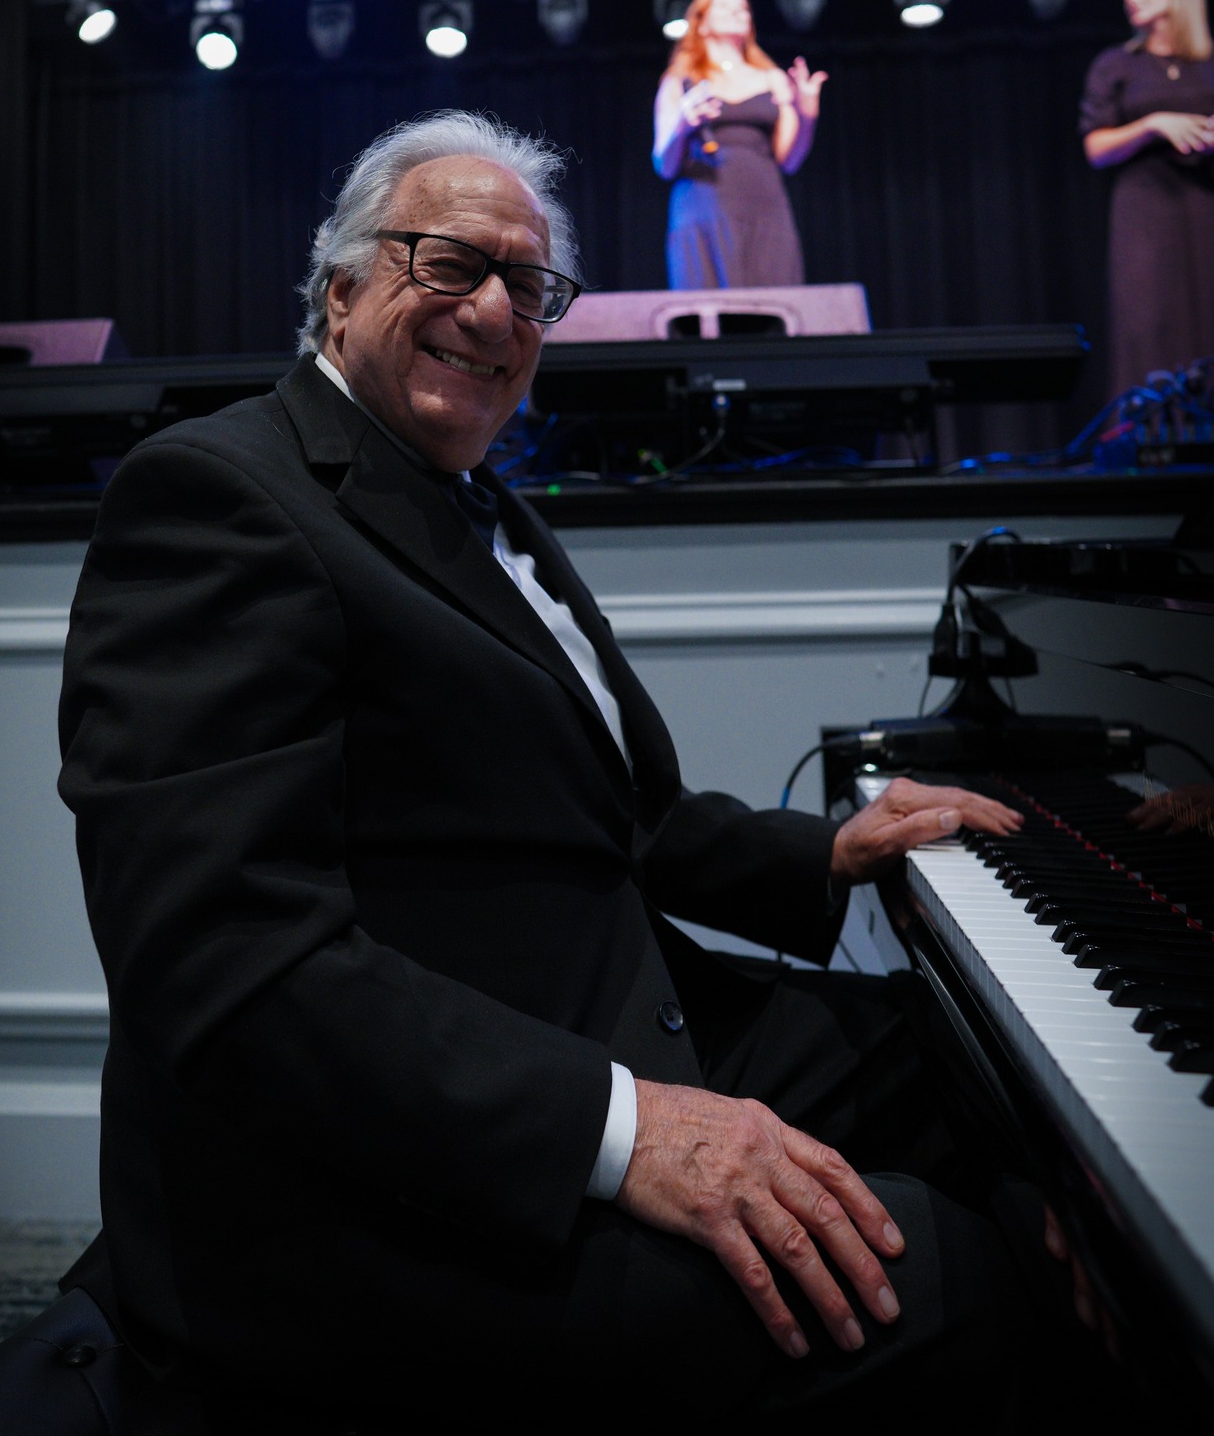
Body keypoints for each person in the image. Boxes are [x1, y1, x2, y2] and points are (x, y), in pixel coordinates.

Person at [59, 111, 1088, 1434]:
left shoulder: (478, 501)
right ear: (342, 286)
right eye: (450, 265)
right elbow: (228, 966)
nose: (496, 310)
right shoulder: (217, 494)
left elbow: (617, 820)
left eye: (530, 287)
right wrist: (629, 1129)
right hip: (363, 1179)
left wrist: (824, 852)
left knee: (980, 1072)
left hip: (600, 1006)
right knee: (950, 1275)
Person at [1080, 0, 1214, 396]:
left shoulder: (1208, 65)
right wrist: (1153, 124)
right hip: (1145, 206)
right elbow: (1096, 148)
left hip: (1204, 199)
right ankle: (1149, 438)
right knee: (1148, 317)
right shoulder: (1117, 64)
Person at [653, 0, 827, 289]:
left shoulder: (773, 78)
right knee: (706, 313)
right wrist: (683, 124)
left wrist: (807, 113)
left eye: (744, 7)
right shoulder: (679, 81)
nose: (738, 12)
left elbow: (790, 159)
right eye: (725, 5)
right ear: (702, 23)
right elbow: (664, 165)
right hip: (702, 206)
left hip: (764, 205)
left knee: (772, 305)